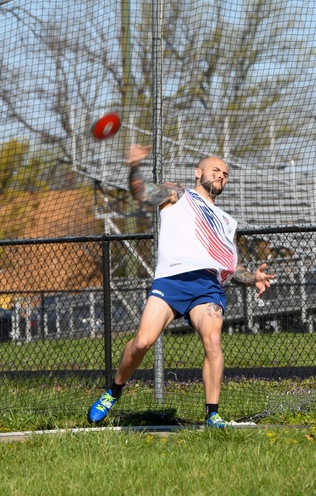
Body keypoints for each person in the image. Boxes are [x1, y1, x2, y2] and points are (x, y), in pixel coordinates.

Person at [88, 144, 275, 428]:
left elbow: (232, 267)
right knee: (142, 342)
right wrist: (134, 166)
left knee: (212, 340)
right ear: (198, 173)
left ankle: (213, 414)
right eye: (216, 170)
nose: (221, 176)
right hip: (172, 280)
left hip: (207, 286)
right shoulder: (178, 195)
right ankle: (113, 391)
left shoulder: (227, 222)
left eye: (225, 173)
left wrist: (253, 278)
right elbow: (140, 192)